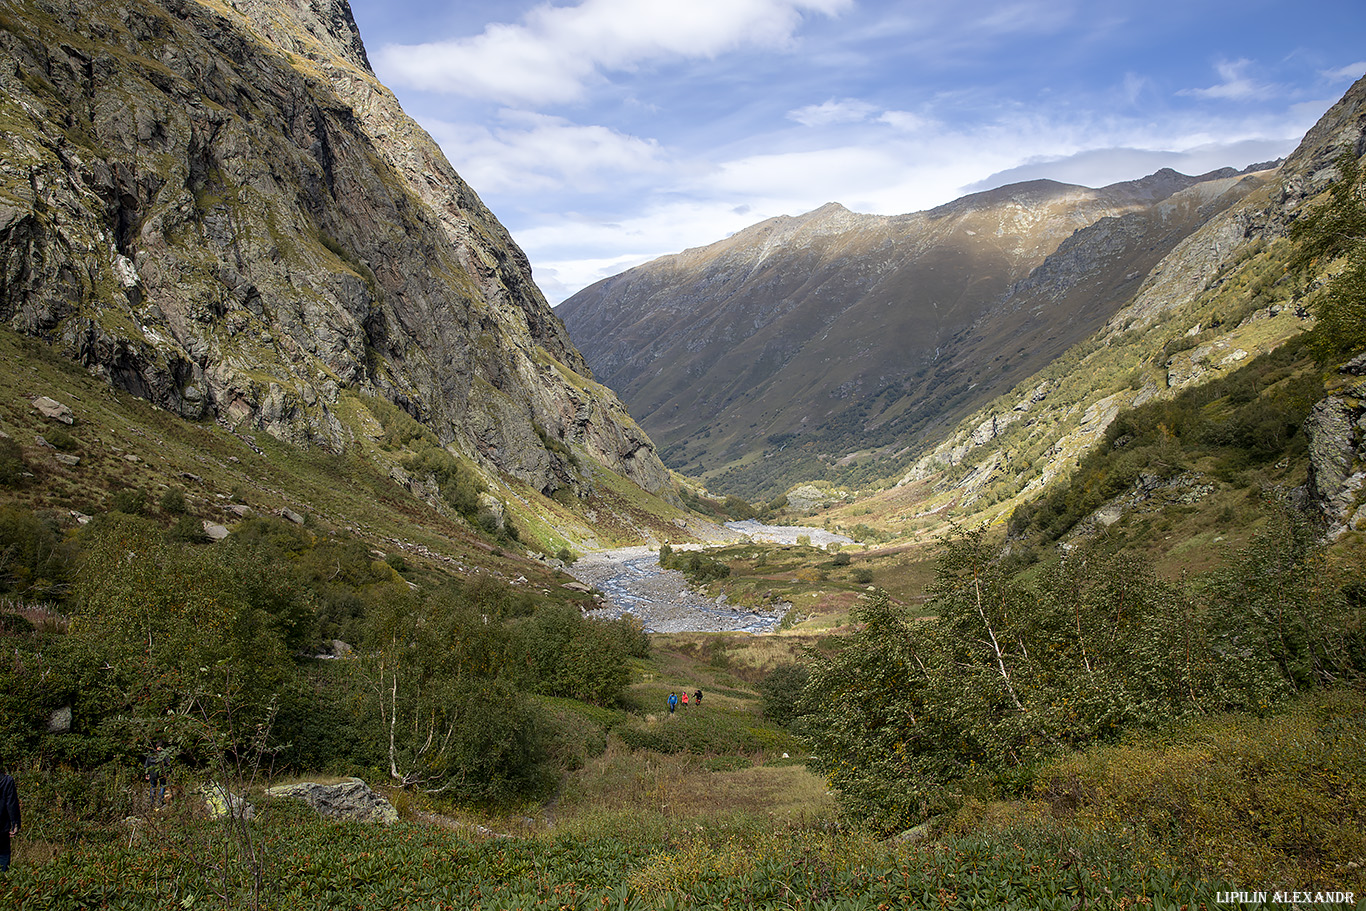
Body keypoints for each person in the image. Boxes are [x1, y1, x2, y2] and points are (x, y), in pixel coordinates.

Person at [0, 763, 19, 873]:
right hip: (2, 827)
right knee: (3, 854)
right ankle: (3, 884)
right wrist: (15, 824)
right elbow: (11, 804)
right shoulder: (7, 781)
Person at [145, 742, 170, 809]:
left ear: (156, 746)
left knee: (153, 787)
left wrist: (147, 773)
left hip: (152, 773)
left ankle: (152, 802)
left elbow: (147, 765)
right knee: (162, 786)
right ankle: (160, 801)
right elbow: (168, 764)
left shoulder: (151, 754)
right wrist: (167, 773)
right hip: (161, 773)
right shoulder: (164, 755)